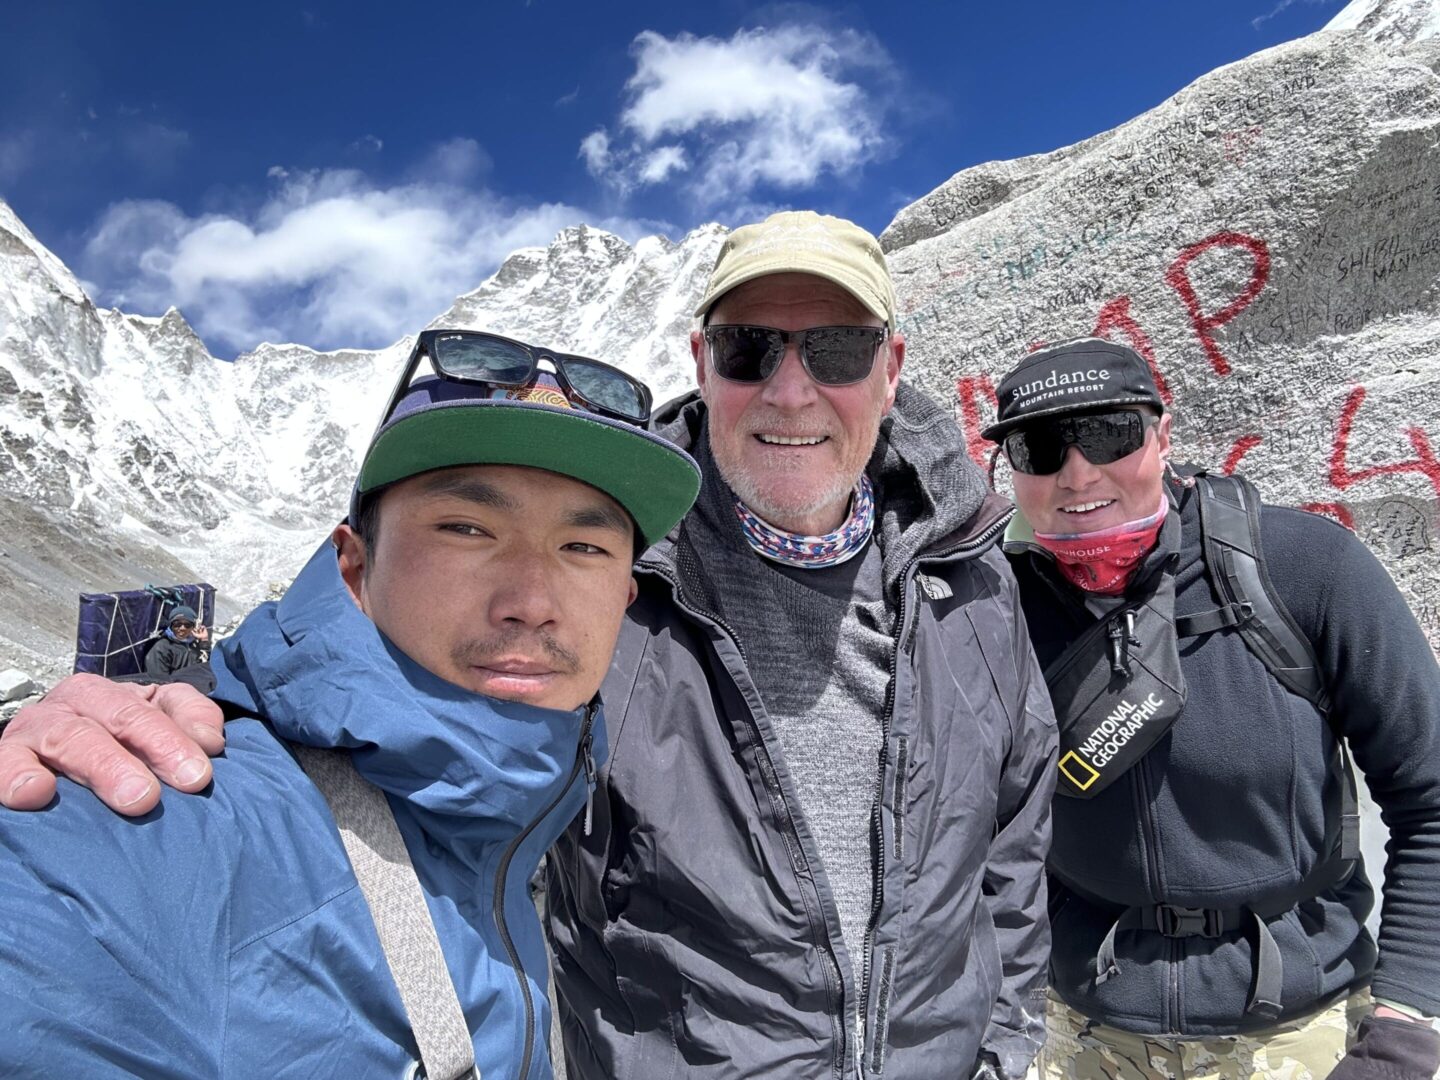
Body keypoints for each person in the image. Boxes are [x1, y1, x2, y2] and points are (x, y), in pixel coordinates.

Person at [0, 212, 1058, 1079]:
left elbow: (1012, 841)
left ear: (891, 367)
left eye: (835, 351)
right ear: (703, 360)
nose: (790, 392)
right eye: (749, 351)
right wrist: (145, 706)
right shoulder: (627, 584)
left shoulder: (969, 578)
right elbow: (345, 724)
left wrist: (1006, 1049)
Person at [0, 331, 703, 1079]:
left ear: (625, 598)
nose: (531, 603)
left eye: (584, 548)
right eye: (467, 529)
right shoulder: (150, 822)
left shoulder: (531, 818)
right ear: (352, 568)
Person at [983, 338, 1440, 1079]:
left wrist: (1405, 1029)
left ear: (1163, 437)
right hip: (1080, 1033)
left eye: (1109, 432)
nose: (1076, 472)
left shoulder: (1304, 569)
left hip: (1299, 1036)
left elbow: (1430, 795)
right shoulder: (996, 606)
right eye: (1039, 447)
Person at [142, 604, 214, 685]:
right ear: (171, 626)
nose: (182, 628)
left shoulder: (194, 644)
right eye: (177, 624)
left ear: (193, 627)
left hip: (197, 686)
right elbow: (158, 681)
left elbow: (207, 666)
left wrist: (204, 641)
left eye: (187, 625)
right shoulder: (161, 648)